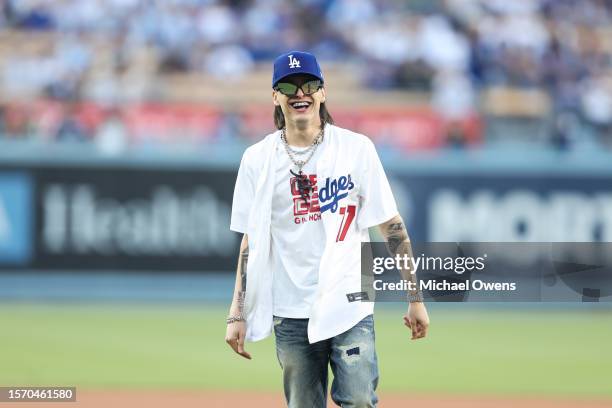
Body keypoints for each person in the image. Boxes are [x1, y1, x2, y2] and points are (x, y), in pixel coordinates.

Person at [225, 51, 430, 408]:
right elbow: (250, 243)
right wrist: (237, 313)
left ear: (322, 91)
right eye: (288, 85)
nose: (299, 92)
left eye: (309, 83)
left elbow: (391, 226)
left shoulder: (356, 149)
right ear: (275, 96)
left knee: (360, 400)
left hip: (352, 298)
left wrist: (416, 298)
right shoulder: (256, 159)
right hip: (290, 306)